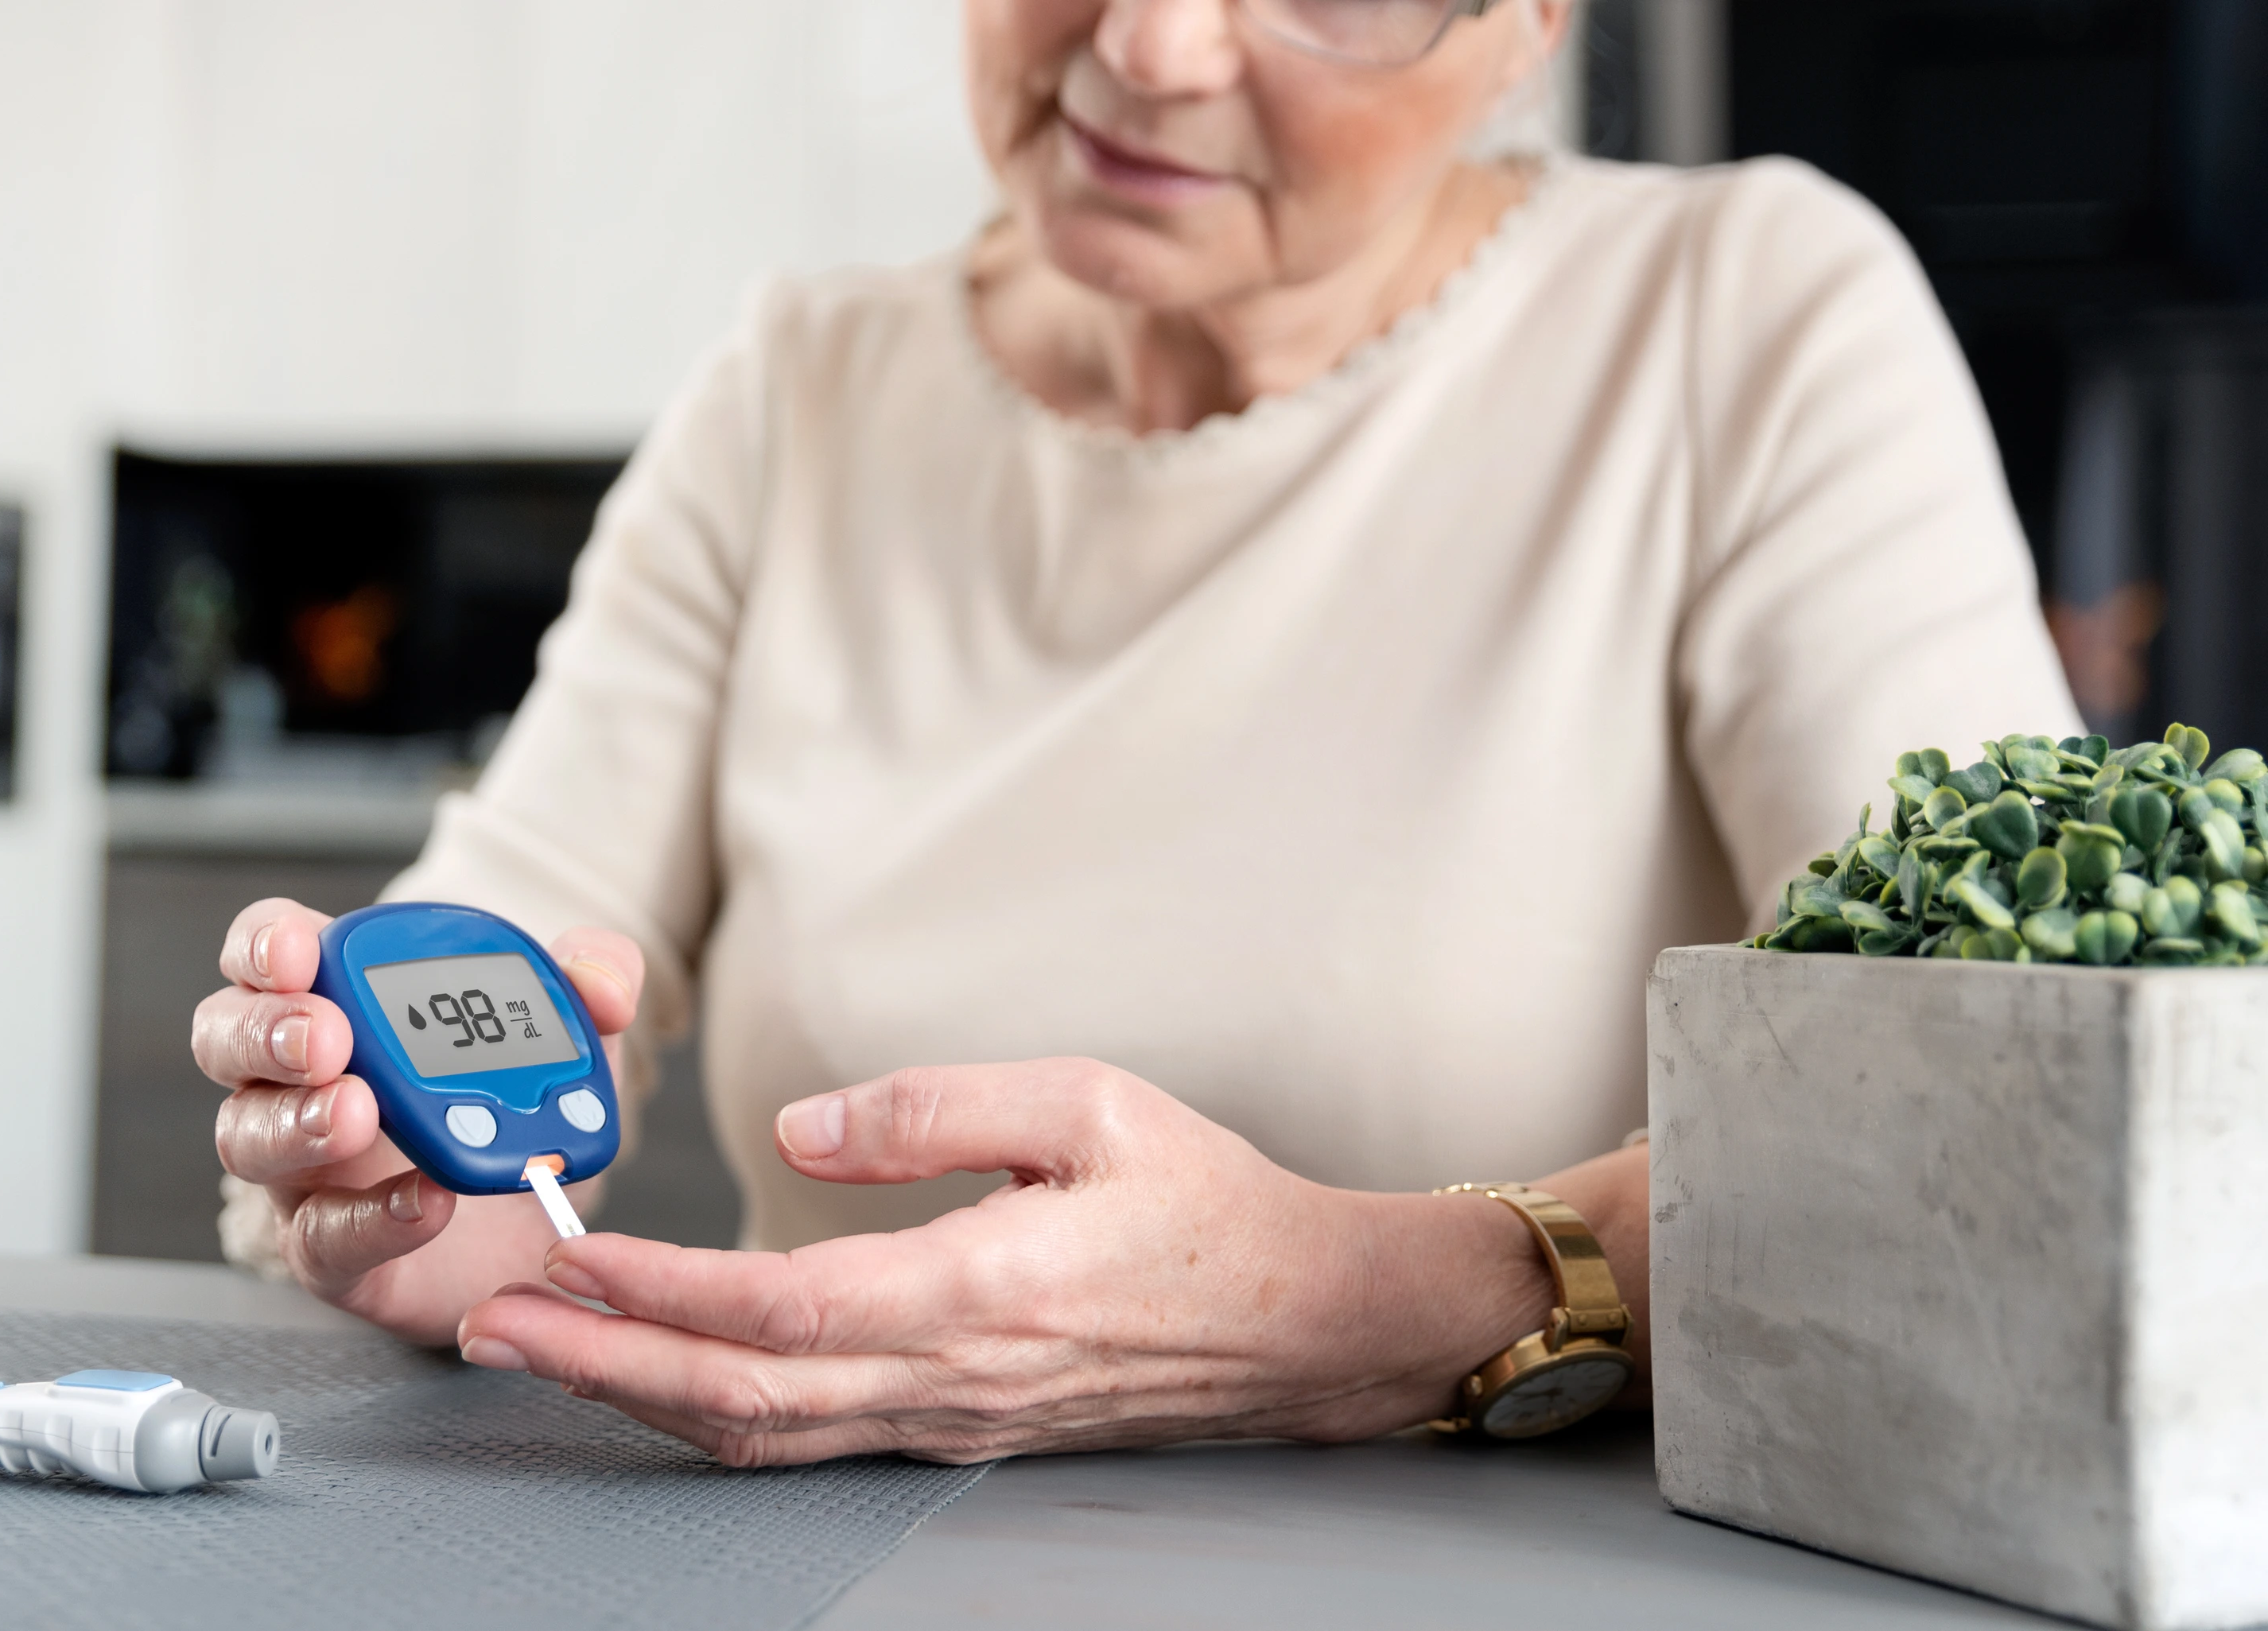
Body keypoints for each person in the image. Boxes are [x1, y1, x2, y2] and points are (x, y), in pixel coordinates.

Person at [195, 0, 2076, 1465]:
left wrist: (1365, 1302)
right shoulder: (799, 391)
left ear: (1533, 28)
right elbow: (506, 952)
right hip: (831, 1562)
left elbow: (2010, 1132)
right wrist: (389, 1190)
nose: (1153, 45)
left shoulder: (1750, 322)